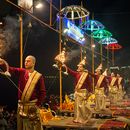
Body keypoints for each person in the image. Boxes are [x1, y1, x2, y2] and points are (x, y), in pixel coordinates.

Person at [0, 55, 46, 130]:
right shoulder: (22, 71)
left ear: (33, 63)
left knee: (32, 127)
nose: (26, 62)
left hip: (32, 107)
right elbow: (11, 69)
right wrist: (3, 63)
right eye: (25, 61)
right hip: (21, 106)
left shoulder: (38, 76)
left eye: (28, 61)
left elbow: (43, 92)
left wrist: (37, 105)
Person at [64, 57, 93, 124]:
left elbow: (89, 84)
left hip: (83, 93)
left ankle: (83, 118)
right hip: (77, 92)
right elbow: (70, 71)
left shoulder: (86, 75)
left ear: (83, 67)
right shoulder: (76, 74)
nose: (79, 68)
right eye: (79, 66)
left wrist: (90, 92)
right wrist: (65, 66)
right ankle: (77, 118)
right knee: (77, 106)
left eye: (80, 67)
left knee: (82, 107)